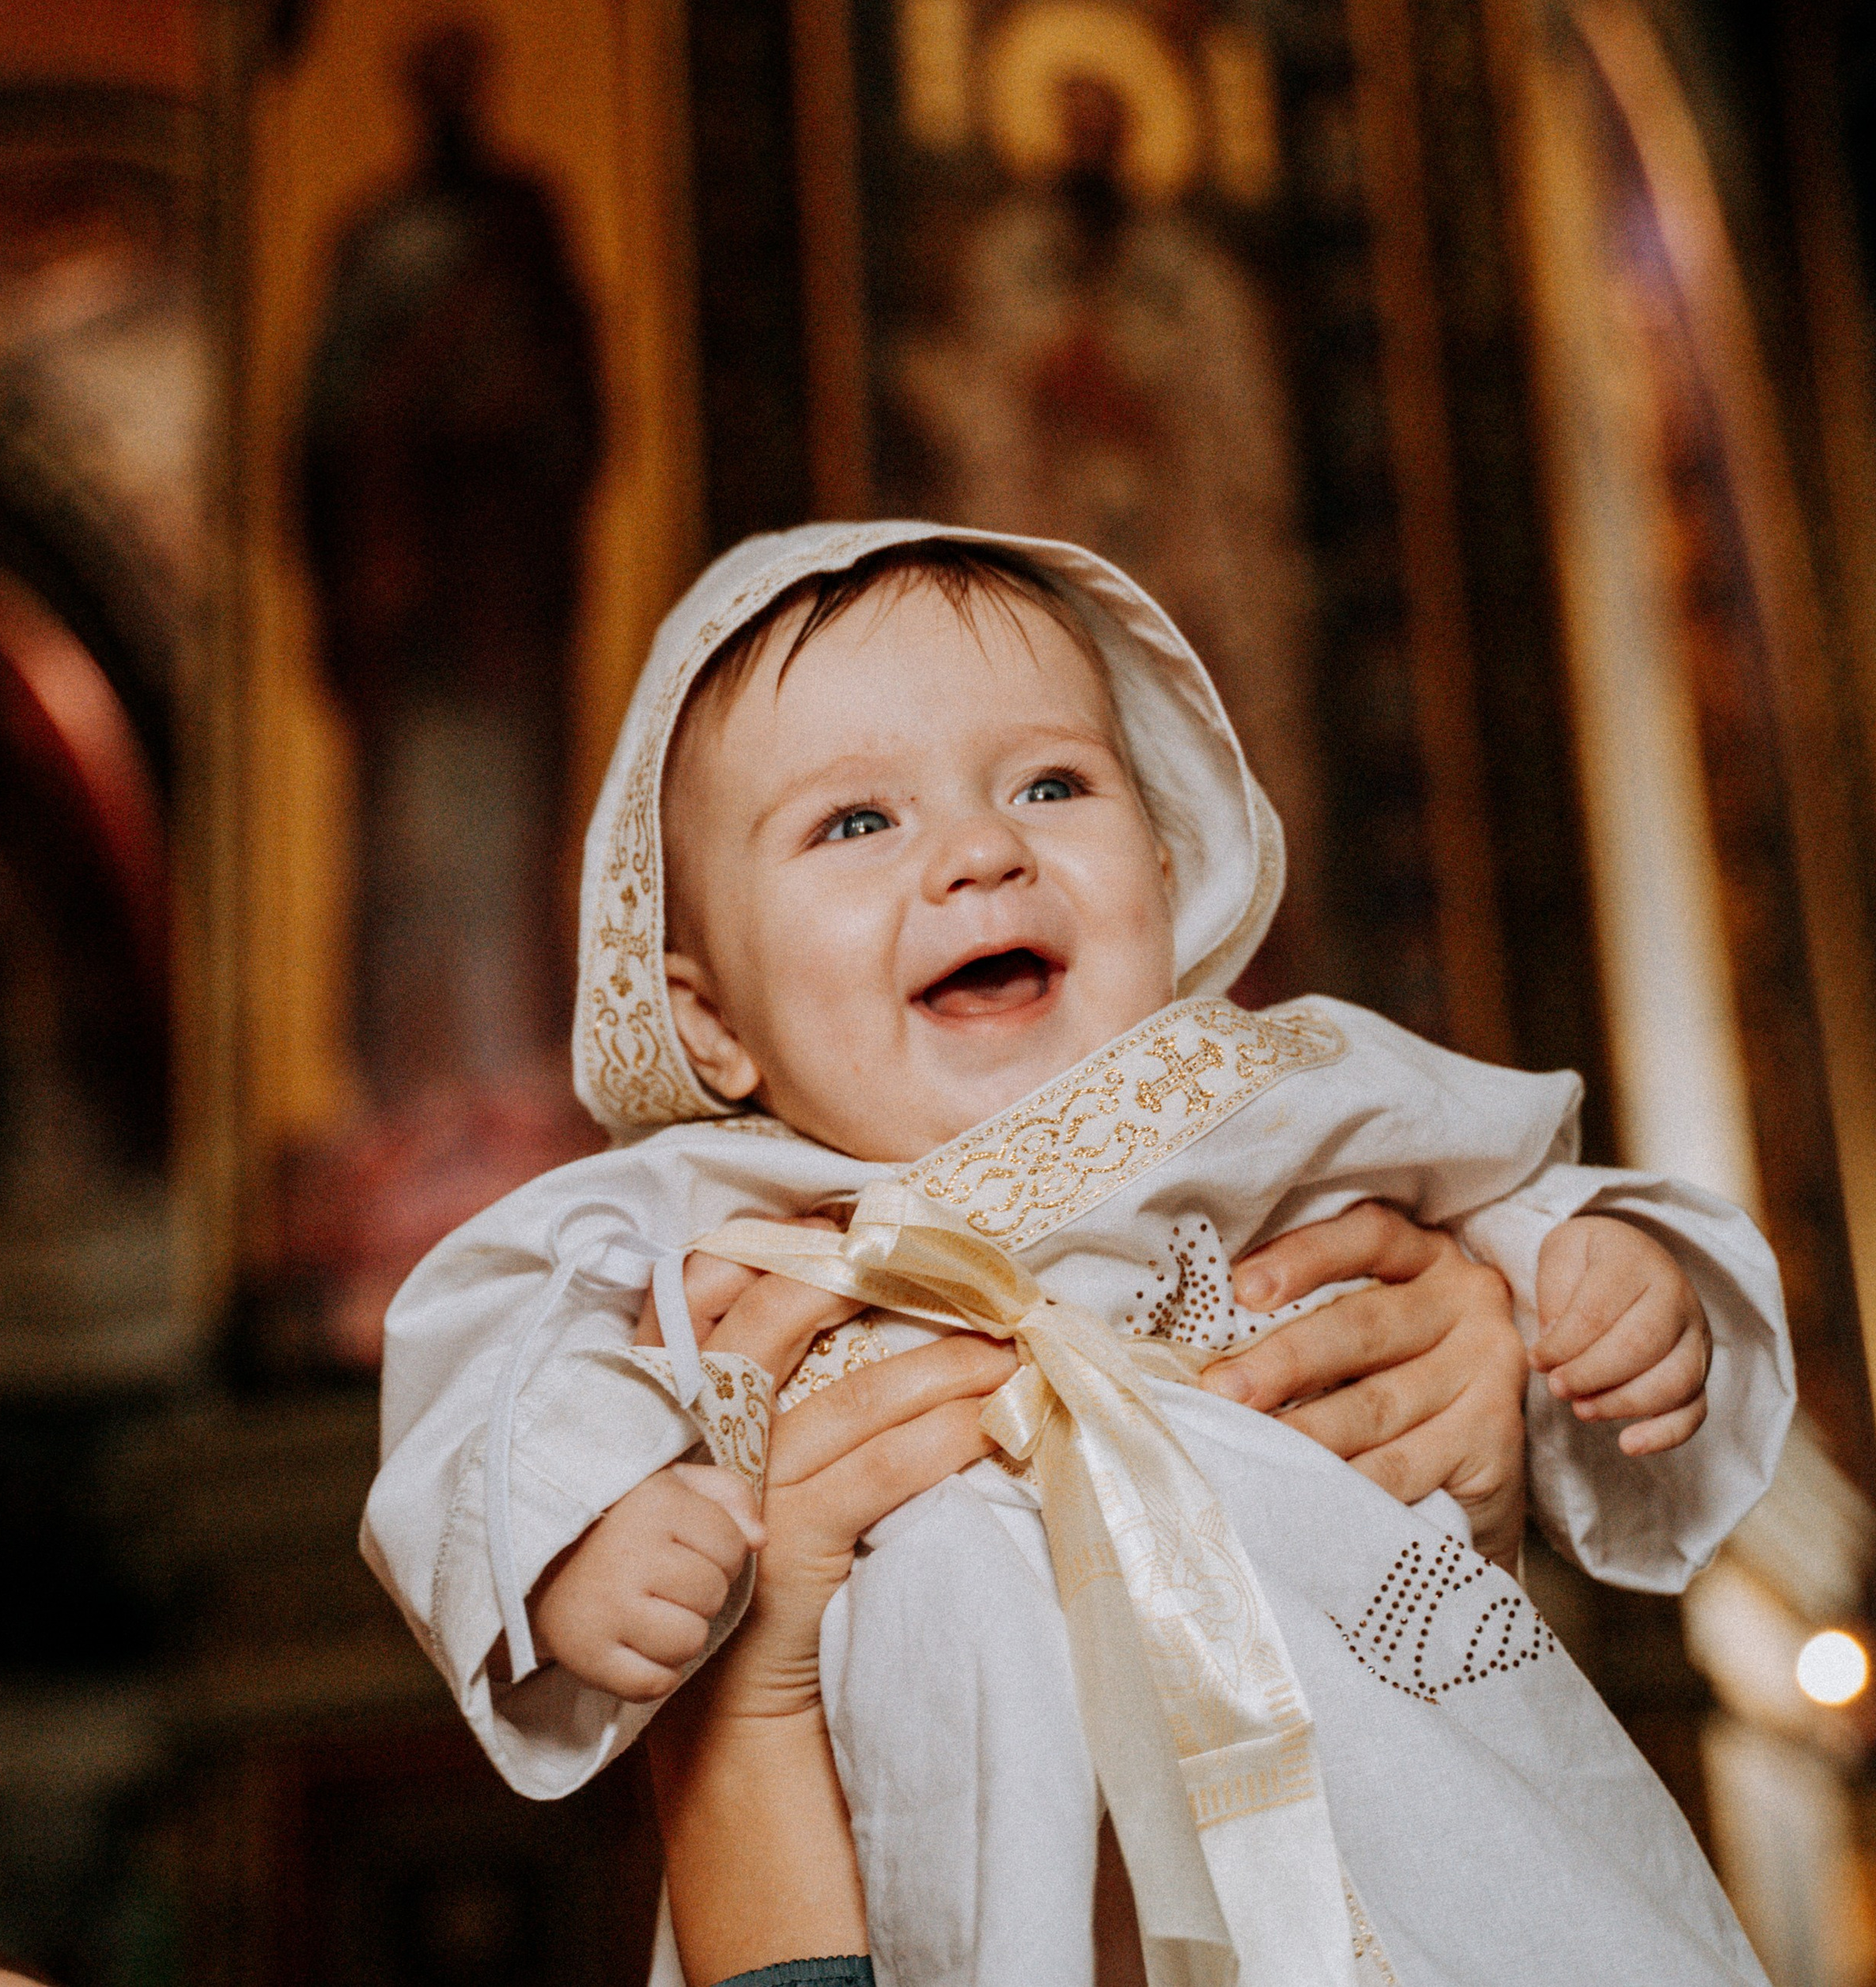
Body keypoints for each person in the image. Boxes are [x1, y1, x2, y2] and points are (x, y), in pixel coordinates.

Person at [364, 524, 1790, 1985]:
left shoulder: (1259, 1088)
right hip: (948, 1860)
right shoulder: (693, 1216)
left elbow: (1497, 1173)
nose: (984, 851)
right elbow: (493, 1370)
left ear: (1167, 882)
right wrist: (576, 1544)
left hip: (1375, 1785)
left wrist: (1593, 1267)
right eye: (857, 823)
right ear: (711, 1020)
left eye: (1053, 785)